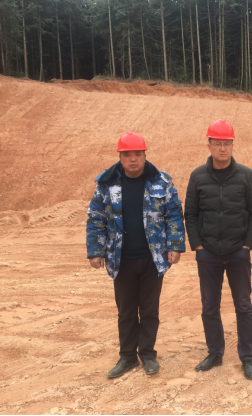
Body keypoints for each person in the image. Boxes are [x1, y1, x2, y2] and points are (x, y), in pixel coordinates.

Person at [86, 132, 185, 378]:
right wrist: (96, 250)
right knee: (126, 311)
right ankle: (127, 357)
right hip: (120, 259)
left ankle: (148, 354)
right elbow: (96, 218)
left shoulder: (161, 182)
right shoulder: (106, 184)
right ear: (120, 157)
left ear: (144, 155)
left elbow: (174, 214)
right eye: (127, 155)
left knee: (150, 310)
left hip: (153, 258)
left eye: (138, 154)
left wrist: (175, 245)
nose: (133, 159)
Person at [184, 119, 252, 380]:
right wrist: (197, 246)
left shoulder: (246, 175)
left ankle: (247, 357)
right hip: (208, 253)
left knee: (243, 305)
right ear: (208, 145)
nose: (222, 148)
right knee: (210, 306)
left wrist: (247, 245)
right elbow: (190, 213)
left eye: (226, 143)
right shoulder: (198, 176)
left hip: (238, 251)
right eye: (217, 143)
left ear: (232, 145)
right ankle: (215, 353)